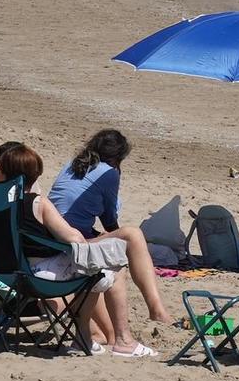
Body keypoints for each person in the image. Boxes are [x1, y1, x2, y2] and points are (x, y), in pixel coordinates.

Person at [0, 144, 152, 359]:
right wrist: (95, 239)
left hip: (6, 272)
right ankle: (123, 341)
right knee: (110, 269)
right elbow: (73, 238)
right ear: (36, 174)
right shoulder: (38, 203)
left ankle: (85, 338)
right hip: (41, 275)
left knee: (93, 269)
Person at [46, 130, 167, 324]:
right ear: (118, 157)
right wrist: (113, 236)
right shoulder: (109, 173)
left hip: (50, 234)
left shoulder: (72, 164)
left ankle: (103, 329)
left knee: (114, 241)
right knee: (132, 236)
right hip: (70, 240)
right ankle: (157, 310)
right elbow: (109, 218)